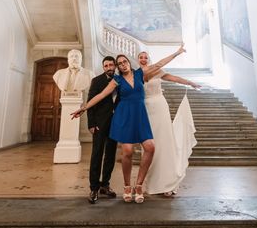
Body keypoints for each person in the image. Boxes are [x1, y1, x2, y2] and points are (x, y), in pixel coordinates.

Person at [72, 45, 185, 204]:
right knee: (127, 152)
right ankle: (127, 186)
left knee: (150, 147)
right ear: (118, 67)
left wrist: (177, 53)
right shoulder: (117, 80)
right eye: (119, 63)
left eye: (124, 61)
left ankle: (138, 185)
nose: (123, 64)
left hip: (140, 115)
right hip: (125, 116)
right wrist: (83, 108)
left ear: (129, 63)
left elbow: (159, 64)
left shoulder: (140, 74)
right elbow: (101, 95)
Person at [138, 51, 201, 196]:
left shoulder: (158, 71)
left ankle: (168, 183)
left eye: (145, 57)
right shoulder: (136, 74)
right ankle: (153, 182)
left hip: (160, 106)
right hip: (146, 109)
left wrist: (190, 83)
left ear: (149, 59)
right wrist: (177, 53)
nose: (143, 59)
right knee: (150, 145)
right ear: (137, 60)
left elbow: (174, 78)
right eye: (140, 57)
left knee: (165, 143)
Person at [85, 56, 119, 204]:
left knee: (110, 155)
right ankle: (94, 187)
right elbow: (90, 103)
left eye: (111, 65)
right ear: (103, 67)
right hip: (99, 124)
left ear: (115, 66)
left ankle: (105, 184)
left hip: (115, 124)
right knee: (97, 154)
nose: (109, 67)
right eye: (106, 65)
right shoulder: (96, 81)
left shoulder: (120, 80)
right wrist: (91, 123)